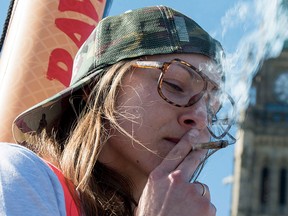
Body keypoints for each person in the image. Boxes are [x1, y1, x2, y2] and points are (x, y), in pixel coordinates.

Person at [0, 5, 235, 216]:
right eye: (174, 85)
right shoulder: (20, 176)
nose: (201, 119)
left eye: (212, 106)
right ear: (96, 91)